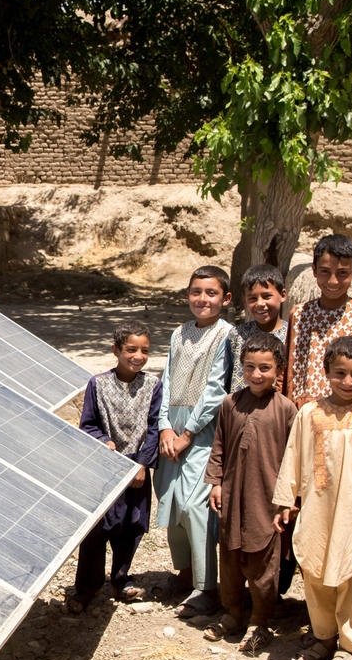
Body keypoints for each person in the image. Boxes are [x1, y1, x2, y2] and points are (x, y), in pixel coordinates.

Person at [273, 336, 352, 660]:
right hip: (316, 507)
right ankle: (323, 636)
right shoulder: (309, 413)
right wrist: (286, 499)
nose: (348, 382)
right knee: (314, 568)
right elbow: (292, 456)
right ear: (327, 372)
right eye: (340, 373)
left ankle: (348, 645)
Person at [203, 332, 297, 653]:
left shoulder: (286, 409)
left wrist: (287, 501)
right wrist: (216, 482)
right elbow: (219, 446)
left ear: (278, 370)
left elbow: (293, 459)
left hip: (267, 501)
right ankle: (233, 613)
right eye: (249, 367)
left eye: (265, 368)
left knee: (263, 564)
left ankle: (260, 621)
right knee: (229, 560)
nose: (256, 375)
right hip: (232, 498)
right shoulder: (231, 404)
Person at [68, 321, 162, 613]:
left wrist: (142, 465)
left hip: (136, 470)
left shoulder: (153, 385)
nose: (138, 356)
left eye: (145, 350)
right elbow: (89, 424)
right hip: (106, 469)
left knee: (131, 527)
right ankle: (87, 588)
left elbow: (154, 427)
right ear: (116, 350)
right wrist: (103, 441)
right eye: (131, 349)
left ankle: (121, 580)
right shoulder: (98, 384)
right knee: (97, 531)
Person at [155, 265, 232, 618]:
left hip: (203, 431)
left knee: (194, 506)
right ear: (187, 295)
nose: (203, 299)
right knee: (171, 502)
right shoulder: (179, 333)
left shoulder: (225, 336)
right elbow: (168, 379)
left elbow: (216, 389)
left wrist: (187, 434)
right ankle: (184, 576)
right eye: (196, 292)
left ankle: (206, 587)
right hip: (174, 426)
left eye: (211, 293)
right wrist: (165, 428)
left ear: (225, 299)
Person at [283, 234, 352, 410]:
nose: (333, 281)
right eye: (325, 271)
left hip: (348, 421)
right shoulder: (300, 315)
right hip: (302, 417)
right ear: (314, 270)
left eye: (342, 273)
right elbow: (285, 371)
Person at [226, 264, 288, 393]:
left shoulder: (291, 336)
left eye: (266, 296)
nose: (260, 303)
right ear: (245, 300)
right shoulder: (237, 335)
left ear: (282, 295)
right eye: (253, 298)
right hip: (238, 410)